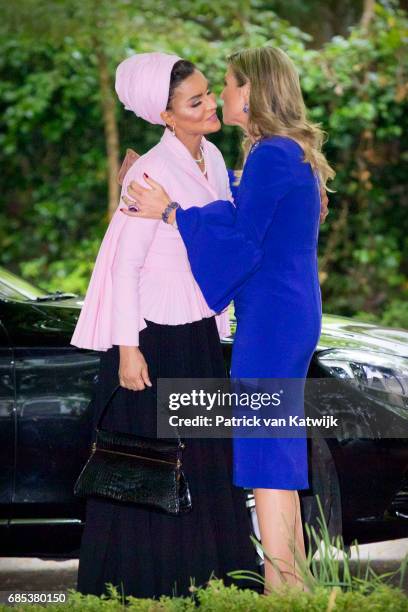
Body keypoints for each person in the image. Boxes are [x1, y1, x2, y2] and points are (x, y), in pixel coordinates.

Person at [120, 46, 335, 591]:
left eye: (231, 84)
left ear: (255, 91)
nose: (223, 95)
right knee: (275, 443)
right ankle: (296, 582)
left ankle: (281, 583)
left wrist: (170, 210)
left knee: (265, 446)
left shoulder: (270, 155)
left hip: (273, 317)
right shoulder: (285, 152)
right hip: (289, 310)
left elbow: (240, 242)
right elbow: (245, 215)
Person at [70, 52, 259, 599]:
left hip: (198, 332)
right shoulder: (148, 172)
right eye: (194, 101)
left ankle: (211, 582)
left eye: (207, 93)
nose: (208, 106)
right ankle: (141, 586)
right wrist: (128, 350)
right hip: (150, 337)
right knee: (146, 467)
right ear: (166, 115)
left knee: (204, 460)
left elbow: (221, 228)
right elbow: (125, 268)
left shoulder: (216, 158)